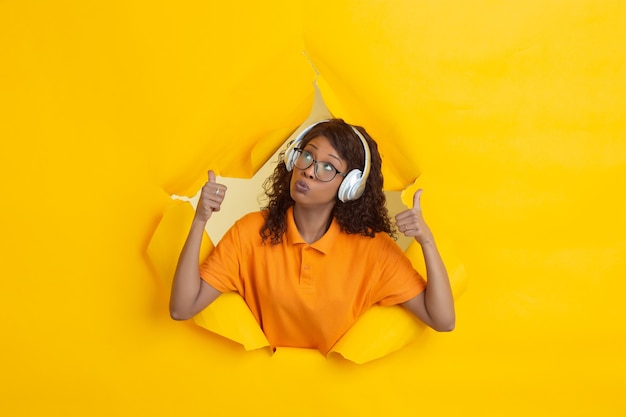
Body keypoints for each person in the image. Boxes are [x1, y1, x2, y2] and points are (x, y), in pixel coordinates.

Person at [170, 118, 455, 355]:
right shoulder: (250, 232)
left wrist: (426, 241)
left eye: (328, 167)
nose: (308, 171)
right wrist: (200, 220)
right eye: (307, 155)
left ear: (351, 187)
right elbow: (182, 308)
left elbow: (442, 319)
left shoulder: (374, 251)